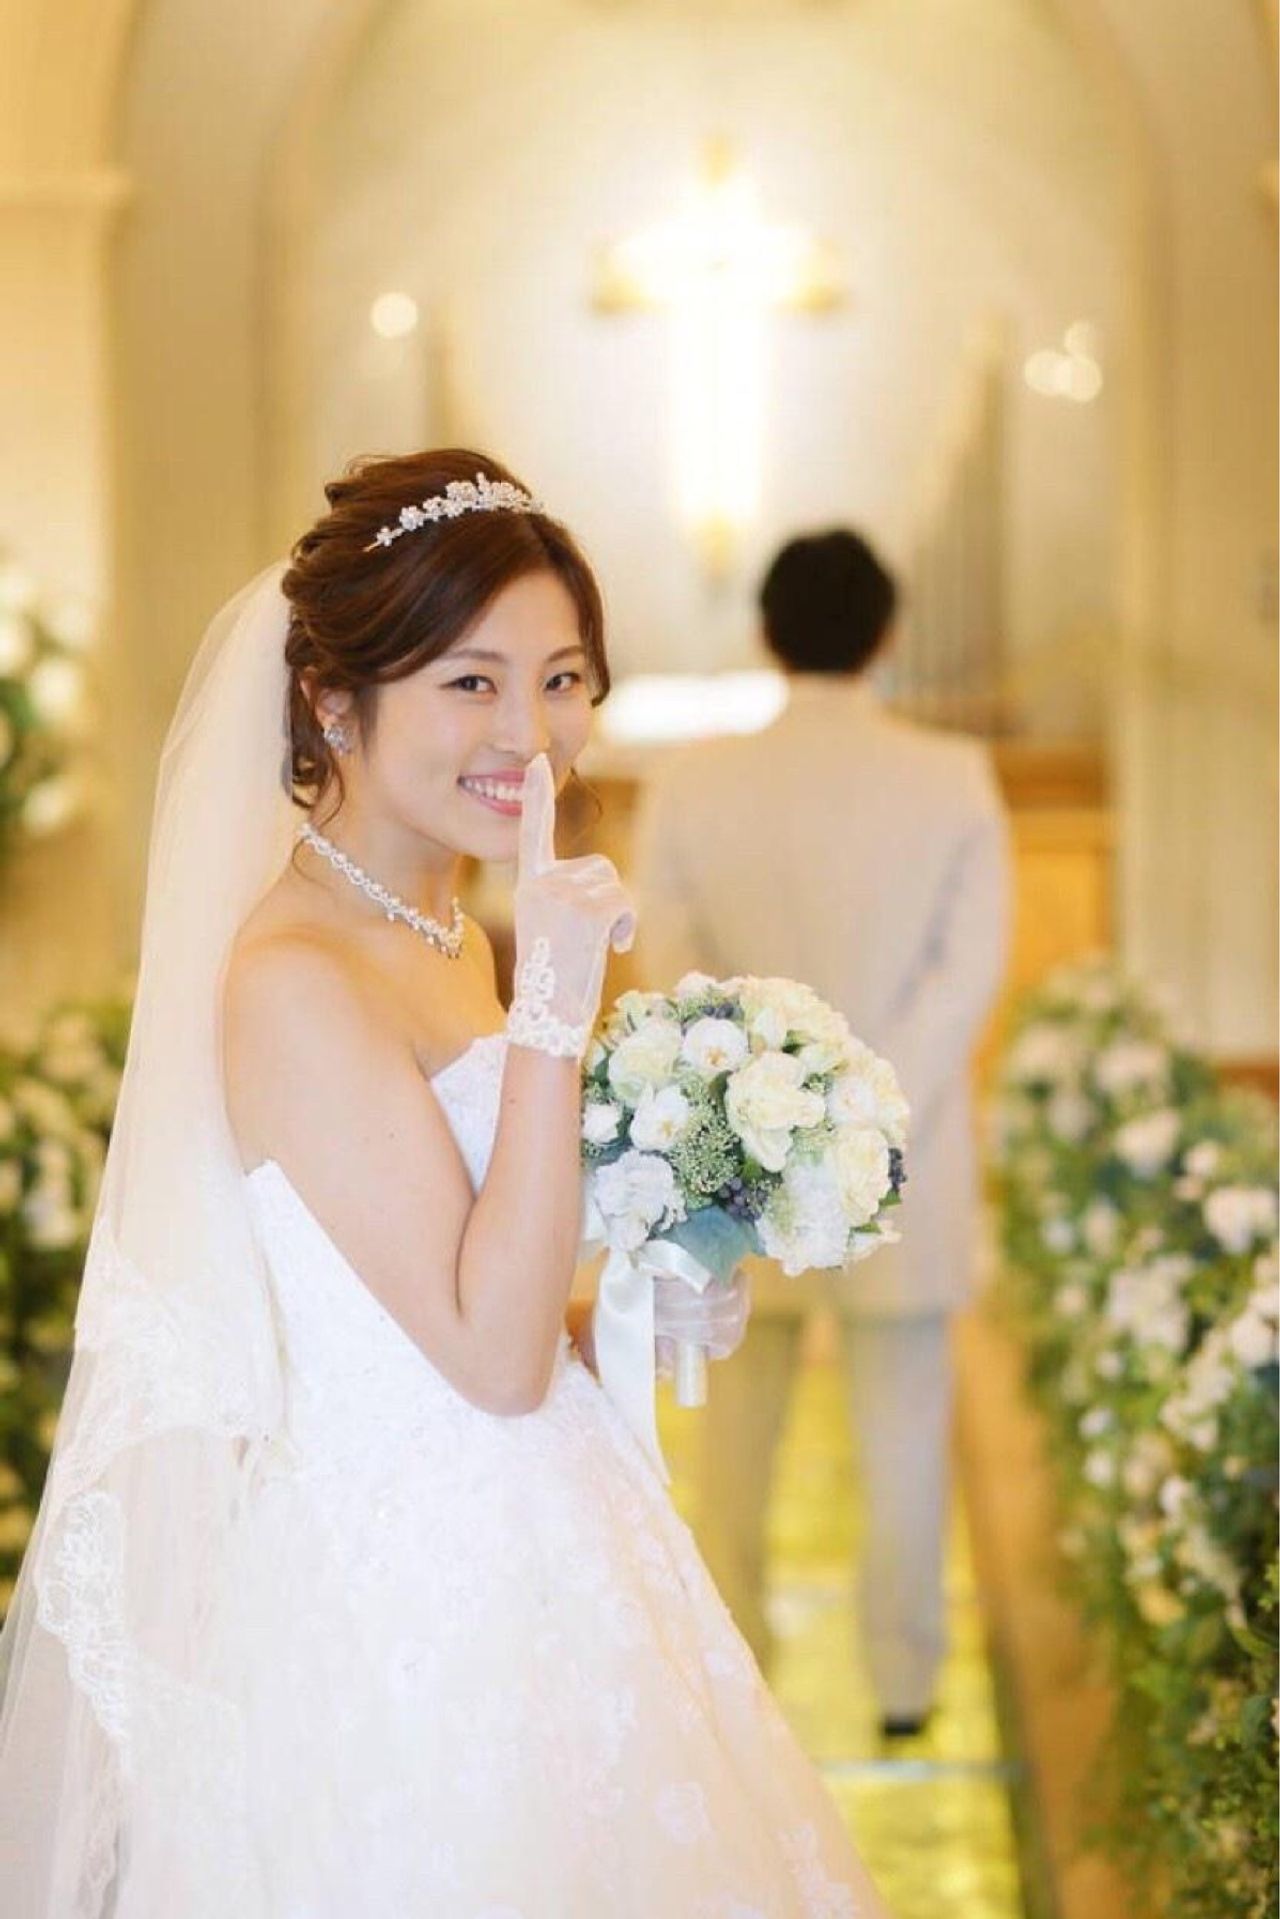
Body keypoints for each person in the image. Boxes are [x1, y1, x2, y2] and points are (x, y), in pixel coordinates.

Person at [0, 452, 893, 1916]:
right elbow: (484, 1354)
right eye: (470, 682)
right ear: (331, 703)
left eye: (562, 679)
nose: (529, 735)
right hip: (407, 1606)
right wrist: (553, 1006)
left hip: (546, 1538)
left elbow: (467, 1306)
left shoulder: (444, 931)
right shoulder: (293, 976)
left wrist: (629, 1310)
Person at [632, 527, 1011, 1738]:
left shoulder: (694, 781)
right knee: (904, 1437)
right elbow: (965, 972)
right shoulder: (951, 775)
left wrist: (769, 1103)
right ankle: (902, 1681)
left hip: (740, 1161)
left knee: (732, 1441)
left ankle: (734, 1675)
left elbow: (672, 959)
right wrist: (866, 1113)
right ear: (887, 632)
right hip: (906, 1159)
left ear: (763, 631)